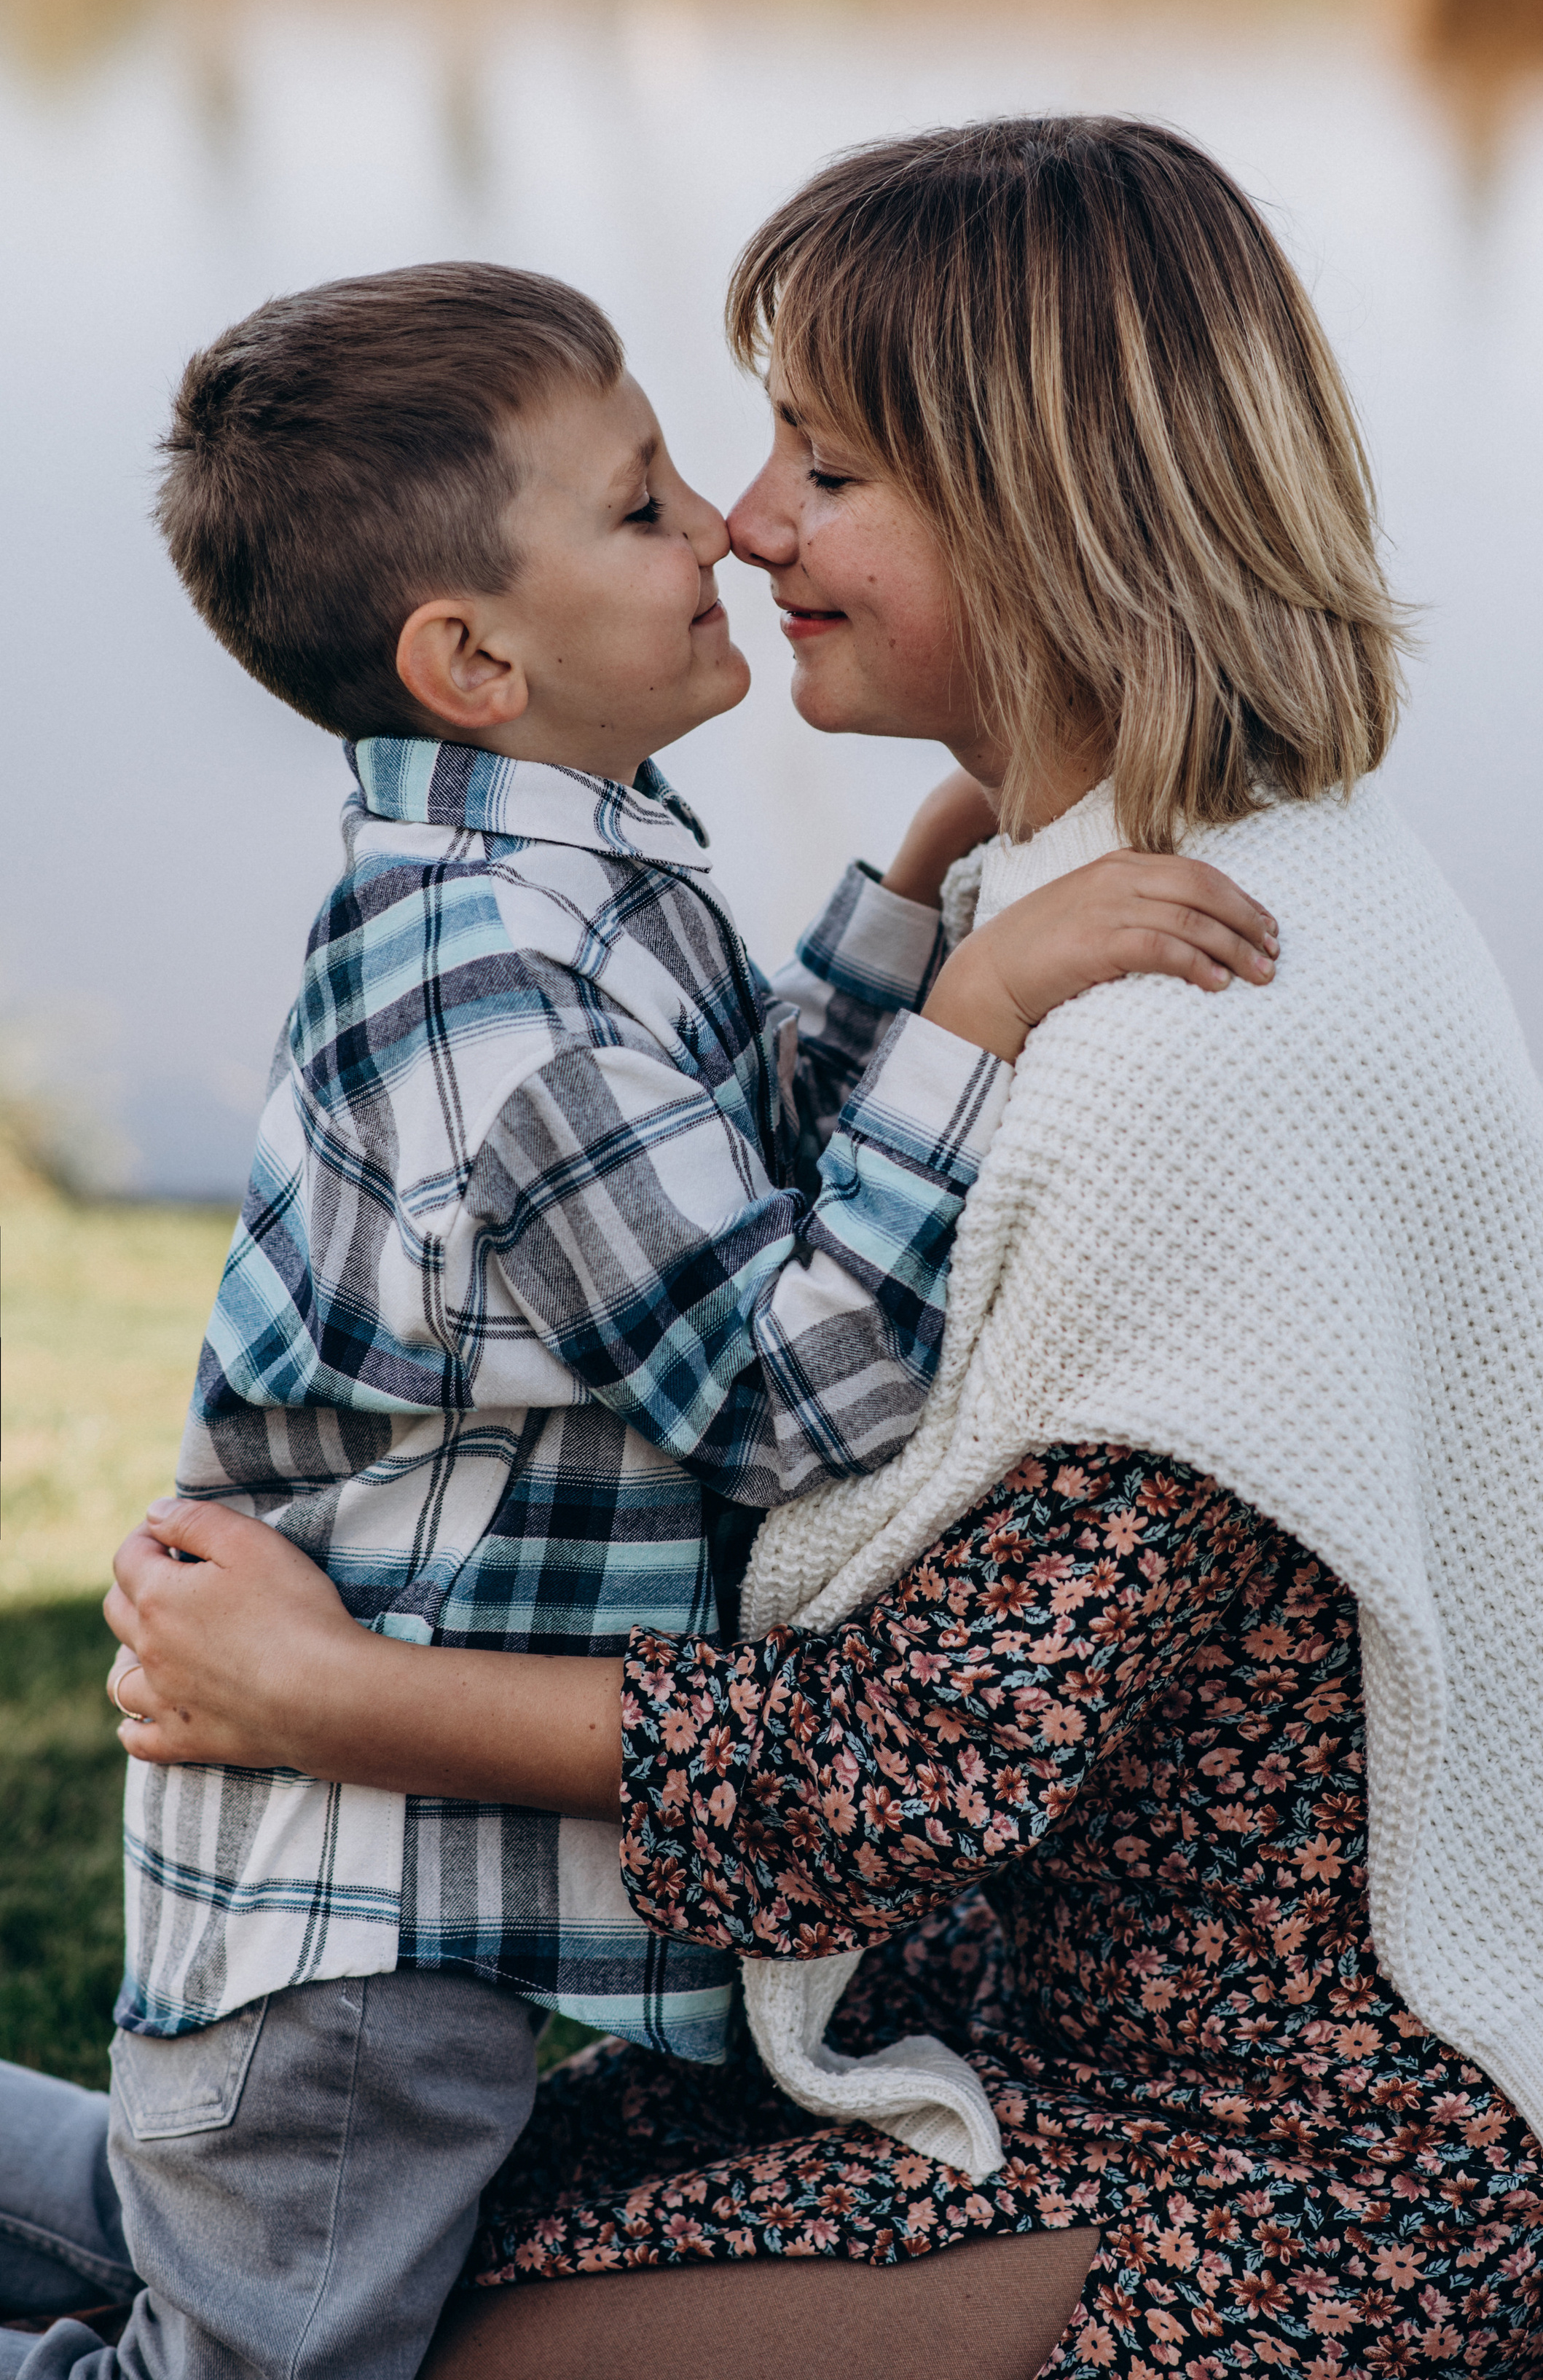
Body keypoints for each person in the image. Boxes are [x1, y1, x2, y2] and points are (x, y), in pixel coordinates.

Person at [34, 117, 1543, 2379]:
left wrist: (328, 1700)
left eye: (824, 466)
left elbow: (902, 1780)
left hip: (1325, 2141)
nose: (753, 523)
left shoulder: (1195, 1033)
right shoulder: (1178, 868)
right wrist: (934, 915)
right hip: (1105, 2030)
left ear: (1053, 509)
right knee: (327, 2271)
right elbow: (791, 1165)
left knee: (381, 2346)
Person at [0, 256, 1277, 2380]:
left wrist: (909, 898)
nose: (728, 528)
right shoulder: (500, 1003)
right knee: (258, 2355)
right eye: (644, 504)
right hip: (355, 1911)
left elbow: (729, 1153)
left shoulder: (567, 870)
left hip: (369, 1885)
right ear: (475, 656)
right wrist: (978, 1009)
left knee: (206, 2207)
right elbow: (786, 1388)